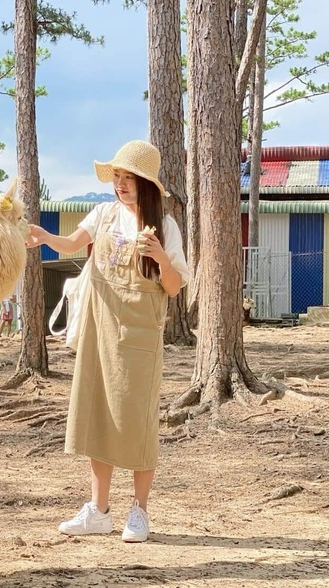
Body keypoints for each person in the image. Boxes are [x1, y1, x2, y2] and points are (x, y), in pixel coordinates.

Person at [25, 140, 191, 543]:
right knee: (97, 414)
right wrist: (45, 235)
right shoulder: (102, 215)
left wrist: (161, 257)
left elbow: (173, 287)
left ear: (146, 185)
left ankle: (140, 511)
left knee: (137, 419)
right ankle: (98, 510)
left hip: (140, 335)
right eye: (117, 178)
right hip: (101, 329)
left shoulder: (164, 227)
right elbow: (71, 244)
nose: (120, 185)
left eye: (128, 179)